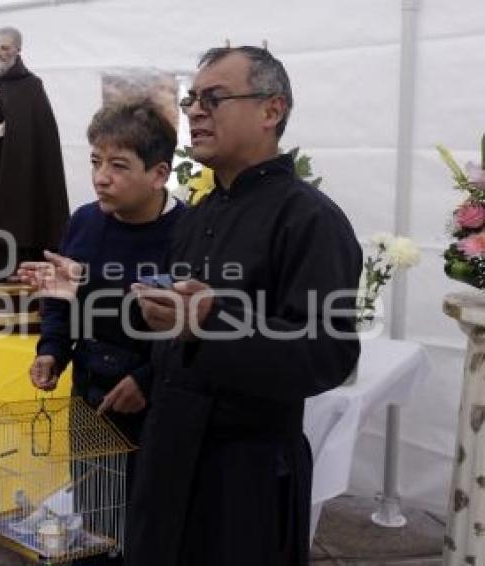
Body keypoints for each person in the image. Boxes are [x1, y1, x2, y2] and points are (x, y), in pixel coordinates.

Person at [124, 47, 362, 565]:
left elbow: (329, 354)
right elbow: (173, 330)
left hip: (243, 477)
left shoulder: (310, 220)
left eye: (213, 98)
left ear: (271, 110)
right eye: (191, 99)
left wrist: (212, 323)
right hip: (167, 456)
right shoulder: (198, 215)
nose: (193, 111)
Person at [19, 100, 184, 564]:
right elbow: (60, 296)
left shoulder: (187, 233)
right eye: (95, 161)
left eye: (118, 165)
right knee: (94, 514)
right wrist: (52, 350)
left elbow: (190, 328)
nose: (101, 177)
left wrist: (148, 379)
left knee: (149, 520)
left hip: (155, 403)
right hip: (90, 393)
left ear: (158, 174)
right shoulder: (85, 222)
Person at [0, 25, 69, 275]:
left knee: (16, 215)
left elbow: (36, 135)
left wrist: (8, 133)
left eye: (5, 48)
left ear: (18, 49)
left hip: (18, 170)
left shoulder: (31, 87)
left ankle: (17, 270)